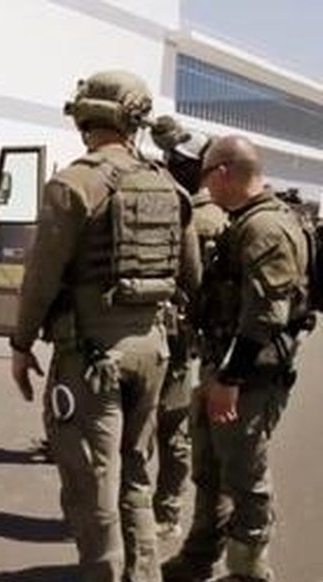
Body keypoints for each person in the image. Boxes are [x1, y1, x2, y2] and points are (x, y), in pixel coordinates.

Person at [10, 71, 200, 582]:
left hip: (91, 355)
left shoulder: (74, 184)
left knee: (91, 486)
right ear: (135, 120)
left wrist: (21, 344)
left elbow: (41, 278)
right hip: (152, 350)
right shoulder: (170, 187)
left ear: (84, 117)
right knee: (134, 478)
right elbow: (191, 276)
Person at [161, 135, 310, 582]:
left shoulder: (267, 227)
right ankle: (200, 555)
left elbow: (266, 315)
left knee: (246, 474)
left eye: (206, 175)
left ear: (223, 172)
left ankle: (250, 577)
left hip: (249, 376)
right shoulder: (244, 221)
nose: (204, 186)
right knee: (211, 468)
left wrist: (229, 379)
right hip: (224, 365)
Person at [149, 115, 229, 539]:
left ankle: (167, 510)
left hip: (182, 334)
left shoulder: (207, 217)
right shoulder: (174, 205)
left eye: (180, 161)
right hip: (160, 329)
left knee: (171, 425)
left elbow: (199, 284)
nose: (171, 165)